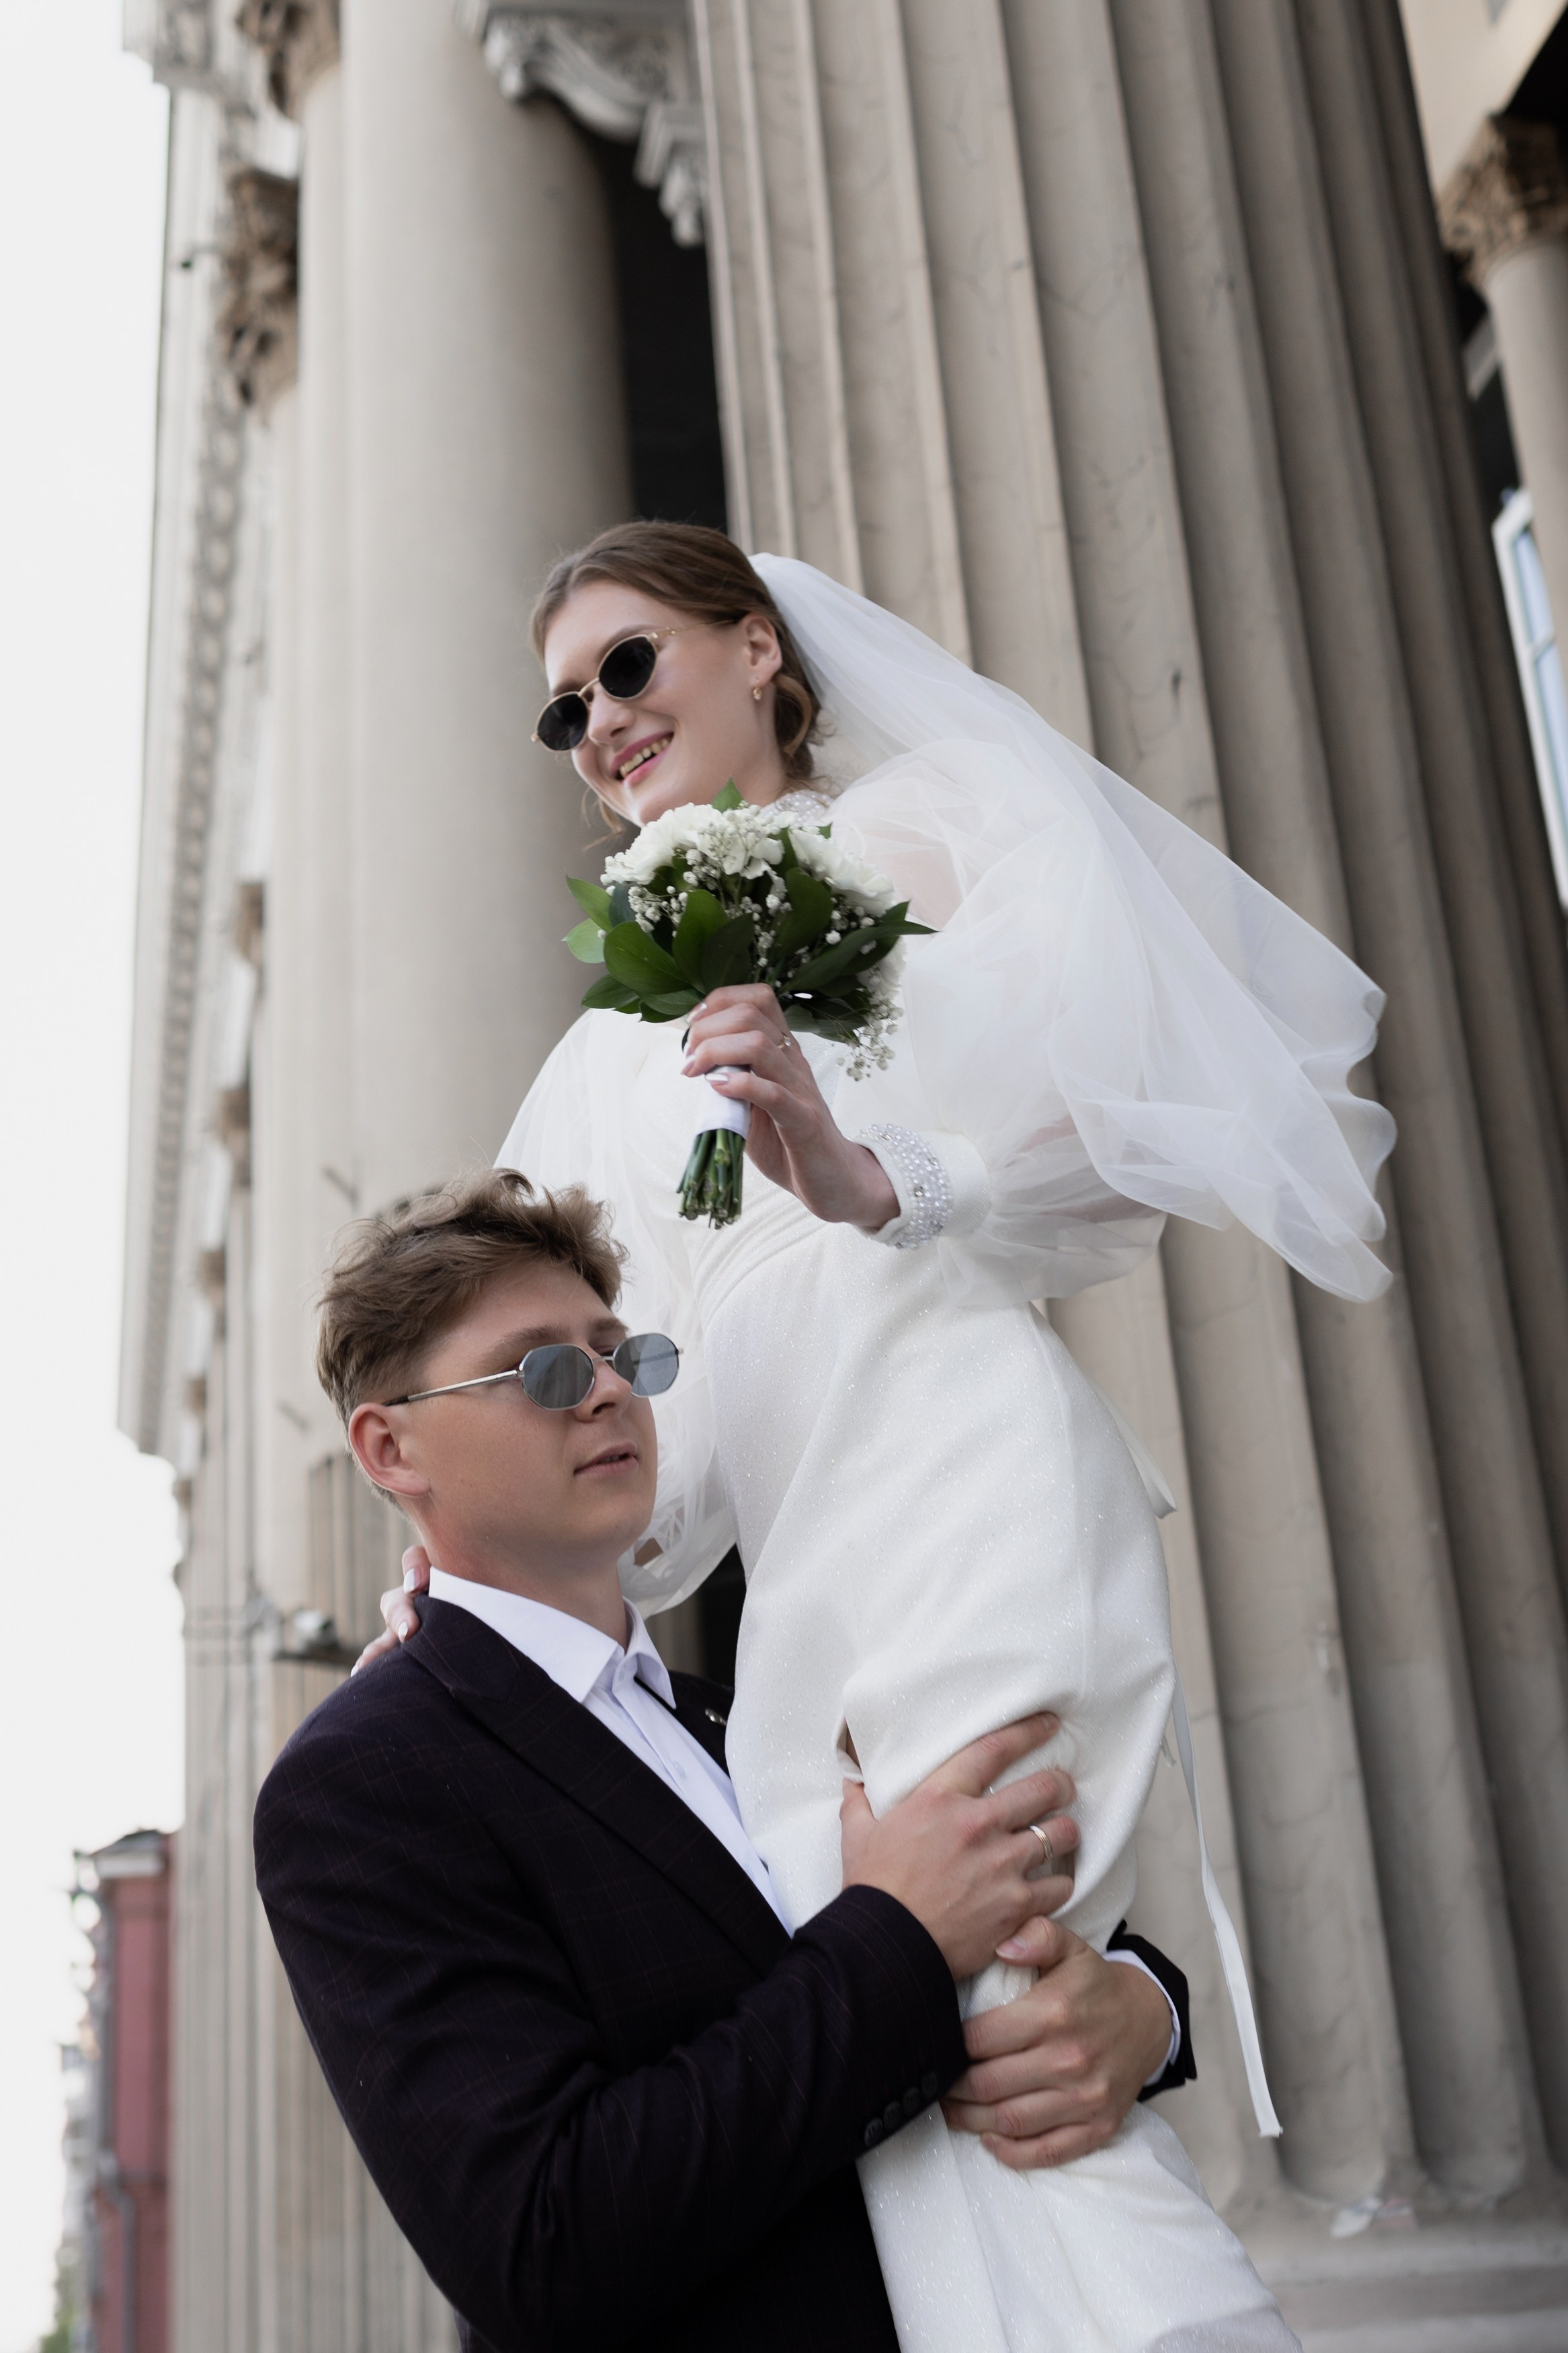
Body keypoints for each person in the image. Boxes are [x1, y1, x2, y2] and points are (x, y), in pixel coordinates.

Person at [373, 522, 1384, 2350]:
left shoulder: (931, 837)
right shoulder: (602, 1050)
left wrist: (868, 1177)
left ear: (757, 645)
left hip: (963, 1464)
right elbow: (644, 1420)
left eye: (625, 665)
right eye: (562, 710)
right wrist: (471, 1579)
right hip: (799, 1578)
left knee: (995, 1991)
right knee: (888, 2015)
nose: (598, 723)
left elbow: (1119, 1146)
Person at [256, 1171, 1192, 2353]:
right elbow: (544, 2242)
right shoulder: (366, 1780)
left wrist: (1144, 2012)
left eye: (620, 1355)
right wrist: (898, 1934)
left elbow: (1020, 1931)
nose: (608, 1391)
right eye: (542, 1370)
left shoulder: (745, 1717)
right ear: (391, 1448)